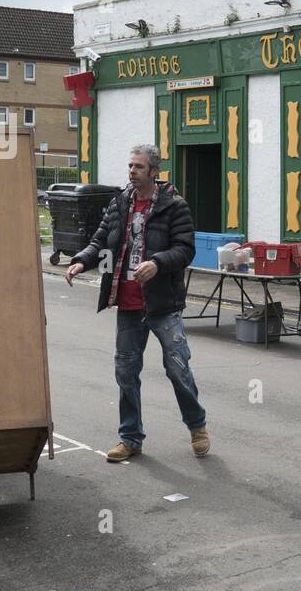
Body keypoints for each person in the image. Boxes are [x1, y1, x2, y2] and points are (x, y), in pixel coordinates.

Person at [66, 144, 205, 463]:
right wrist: (81, 260)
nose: (132, 172)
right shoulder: (119, 202)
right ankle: (130, 438)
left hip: (162, 304)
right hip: (128, 303)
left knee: (177, 367)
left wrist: (157, 262)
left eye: (138, 167)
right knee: (126, 372)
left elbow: (185, 249)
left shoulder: (175, 206)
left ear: (154, 172)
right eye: (130, 166)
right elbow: (101, 240)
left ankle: (197, 425)